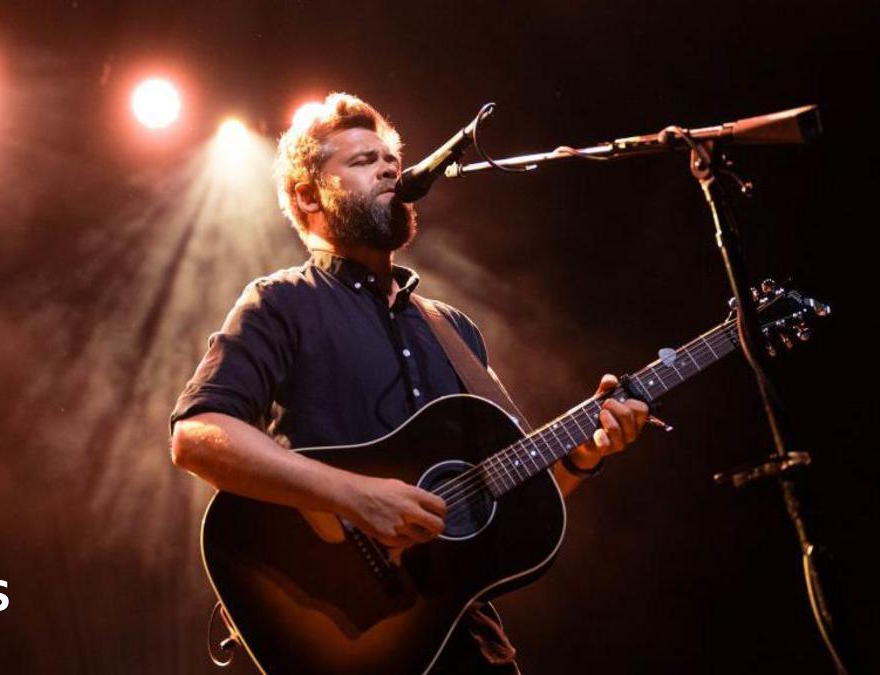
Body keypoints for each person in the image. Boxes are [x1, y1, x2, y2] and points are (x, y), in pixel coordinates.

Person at [169, 92, 650, 673]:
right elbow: (197, 436)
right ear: (307, 195)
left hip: (462, 640)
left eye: (390, 160)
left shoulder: (453, 330)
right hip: (347, 631)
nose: (390, 169)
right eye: (363, 161)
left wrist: (583, 457)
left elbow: (503, 495)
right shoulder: (281, 303)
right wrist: (355, 496)